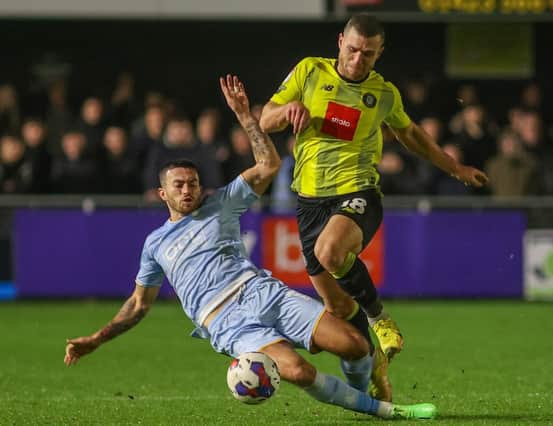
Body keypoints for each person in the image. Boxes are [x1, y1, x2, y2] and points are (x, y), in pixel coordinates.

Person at [63, 75, 436, 421]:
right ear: (163, 193)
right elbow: (138, 304)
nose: (188, 189)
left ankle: (367, 397)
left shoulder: (219, 203)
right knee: (300, 371)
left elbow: (269, 164)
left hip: (263, 291)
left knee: (355, 346)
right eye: (178, 185)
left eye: (192, 182)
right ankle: (387, 412)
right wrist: (96, 339)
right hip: (227, 322)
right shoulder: (155, 244)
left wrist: (245, 115)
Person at [260, 13, 488, 399]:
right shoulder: (309, 72)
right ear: (339, 42)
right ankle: (376, 366)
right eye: (352, 50)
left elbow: (411, 135)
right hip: (310, 203)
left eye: (367, 54)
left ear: (379, 53)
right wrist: (288, 112)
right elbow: (266, 119)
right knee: (337, 310)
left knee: (330, 251)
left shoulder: (383, 95)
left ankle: (380, 317)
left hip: (358, 192)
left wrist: (457, 168)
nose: (357, 59)